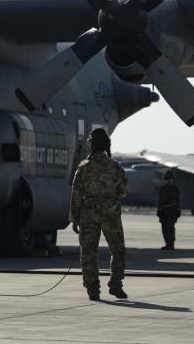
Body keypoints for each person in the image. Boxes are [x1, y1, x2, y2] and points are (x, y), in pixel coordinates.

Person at [71, 127, 129, 301]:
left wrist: (74, 218)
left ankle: (93, 289)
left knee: (88, 252)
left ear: (92, 145)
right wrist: (110, 199)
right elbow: (124, 190)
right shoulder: (115, 167)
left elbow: (76, 194)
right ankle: (116, 284)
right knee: (118, 250)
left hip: (88, 214)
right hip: (110, 213)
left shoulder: (84, 168)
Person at [157, 170, 181, 250]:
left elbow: (178, 200)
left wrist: (178, 210)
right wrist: (159, 209)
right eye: (168, 178)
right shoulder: (163, 188)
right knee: (164, 229)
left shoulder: (175, 188)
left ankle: (171, 245)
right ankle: (167, 244)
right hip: (164, 210)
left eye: (170, 178)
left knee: (170, 228)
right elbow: (160, 199)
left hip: (172, 210)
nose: (169, 180)